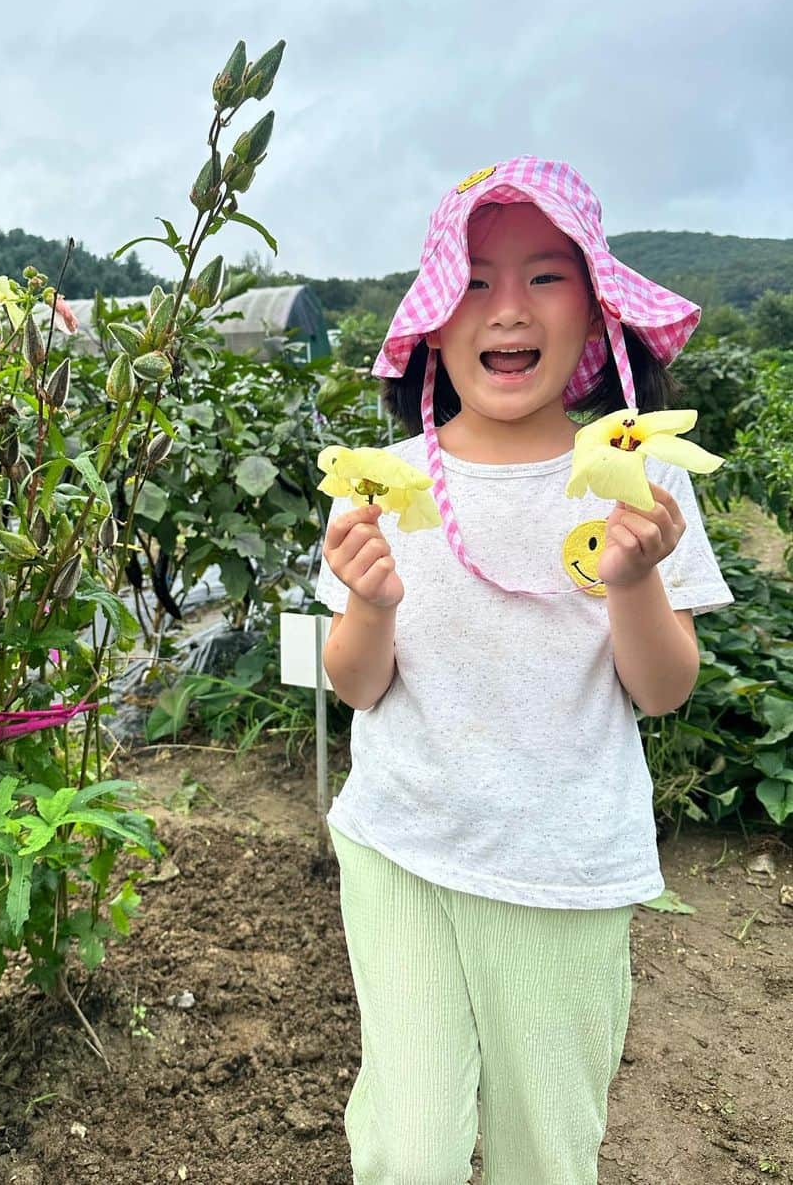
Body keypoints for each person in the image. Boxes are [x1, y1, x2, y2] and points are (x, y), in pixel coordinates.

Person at [316, 158, 733, 1185]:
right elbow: (356, 685)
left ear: (595, 312)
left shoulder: (637, 474)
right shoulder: (386, 484)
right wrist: (370, 603)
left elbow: (663, 689)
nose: (507, 309)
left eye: (545, 277)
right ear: (431, 321)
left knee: (547, 1147)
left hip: (562, 866)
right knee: (406, 1150)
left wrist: (633, 580)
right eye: (472, 280)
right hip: (402, 846)